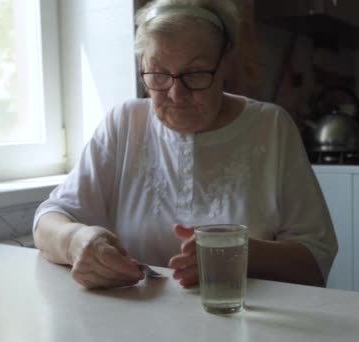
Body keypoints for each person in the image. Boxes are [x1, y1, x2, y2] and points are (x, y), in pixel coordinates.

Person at [33, 0, 338, 290]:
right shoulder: (125, 123)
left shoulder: (270, 127)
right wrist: (76, 241)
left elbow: (315, 261)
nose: (176, 93)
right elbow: (49, 219)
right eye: (159, 74)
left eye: (195, 74)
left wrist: (241, 254)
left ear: (226, 63)